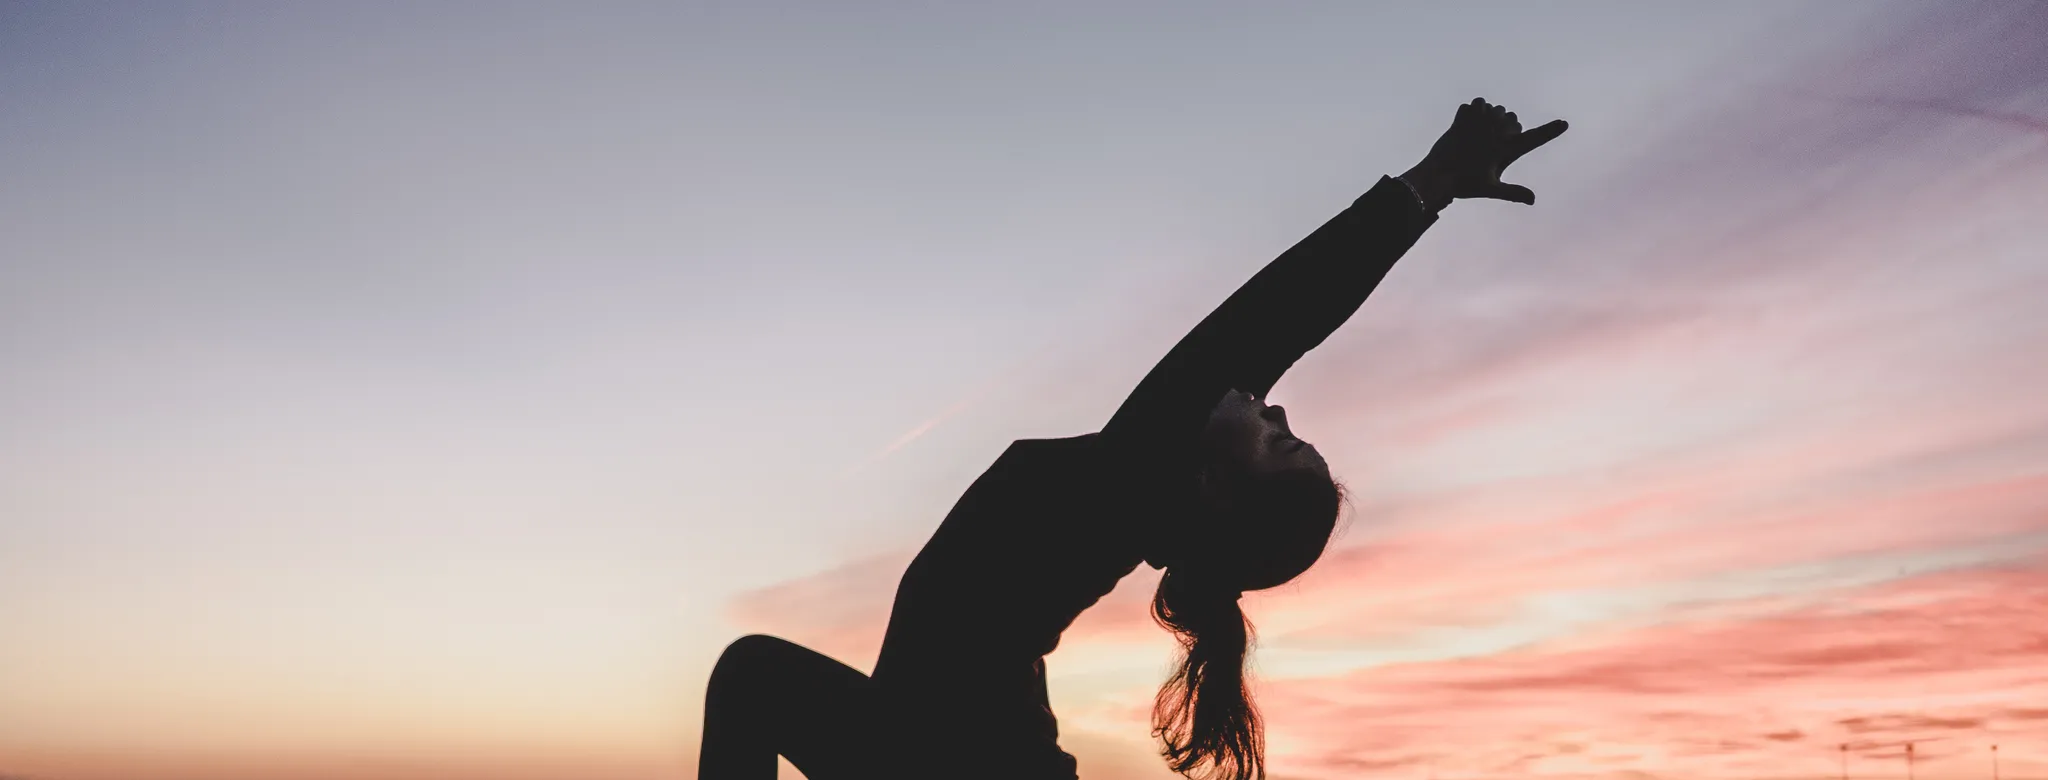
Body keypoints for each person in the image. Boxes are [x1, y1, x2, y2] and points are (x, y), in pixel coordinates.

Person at [697, 98, 1568, 780]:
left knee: (753, 678)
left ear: (1215, 489)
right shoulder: (1143, 493)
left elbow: (1277, 315)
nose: (1281, 413)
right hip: (943, 753)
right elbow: (1263, 339)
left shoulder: (1134, 475)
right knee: (754, 678)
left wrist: (1429, 185)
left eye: (1280, 443)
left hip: (952, 762)